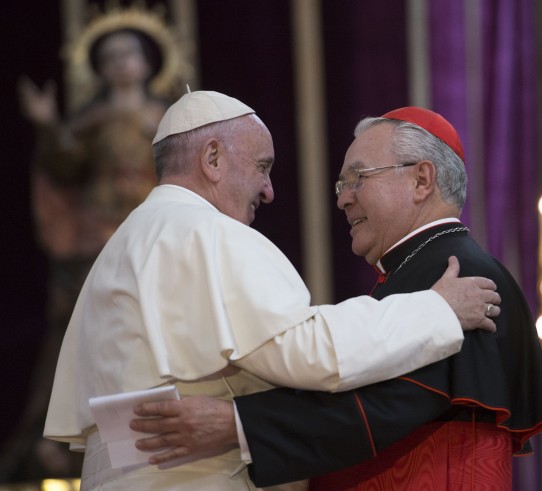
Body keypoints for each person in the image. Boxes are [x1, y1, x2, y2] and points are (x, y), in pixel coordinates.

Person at [43, 91, 502, 490]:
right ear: (213, 159)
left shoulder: (128, 240)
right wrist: (436, 311)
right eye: (262, 167)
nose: (268, 191)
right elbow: (310, 351)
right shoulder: (207, 233)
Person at [131, 107, 542, 490]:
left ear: (421, 179)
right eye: (341, 182)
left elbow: (381, 407)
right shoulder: (422, 271)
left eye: (357, 177)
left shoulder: (458, 277)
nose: (342, 198)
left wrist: (235, 424)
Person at [3, 27, 170, 481]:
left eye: (127, 54)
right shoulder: (90, 122)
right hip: (96, 241)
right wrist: (48, 125)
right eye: (109, 56)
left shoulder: (165, 117)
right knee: (86, 335)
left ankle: (152, 434)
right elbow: (64, 167)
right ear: (97, 69)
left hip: (152, 236)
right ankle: (66, 444)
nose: (119, 63)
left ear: (146, 62)